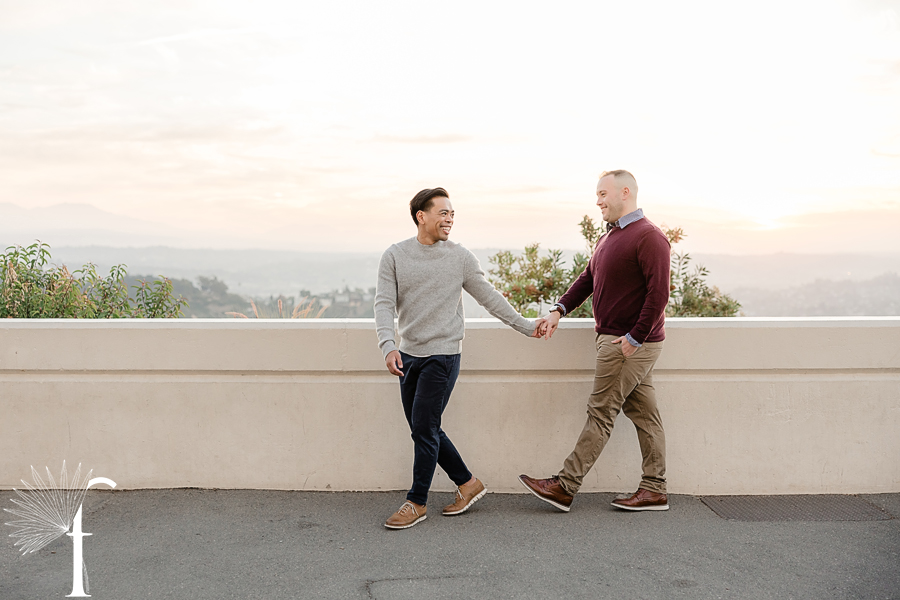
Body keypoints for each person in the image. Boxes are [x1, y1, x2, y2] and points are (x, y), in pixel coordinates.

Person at [375, 187, 545, 529]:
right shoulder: (395, 255)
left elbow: (489, 297)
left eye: (453, 214)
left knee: (424, 427)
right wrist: (388, 345)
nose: (450, 219)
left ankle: (416, 502)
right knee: (425, 428)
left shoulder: (460, 257)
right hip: (408, 355)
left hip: (443, 354)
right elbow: (383, 304)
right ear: (421, 216)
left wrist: (527, 327)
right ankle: (468, 483)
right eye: (443, 213)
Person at [520, 170, 671, 512]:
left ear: (626, 193)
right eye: (597, 196)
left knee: (601, 412)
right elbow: (588, 277)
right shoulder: (610, 237)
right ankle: (655, 489)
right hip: (621, 341)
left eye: (604, 194)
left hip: (627, 344)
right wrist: (559, 309)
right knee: (645, 415)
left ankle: (565, 485)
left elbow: (658, 293)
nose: (598, 202)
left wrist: (634, 337)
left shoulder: (649, 237)